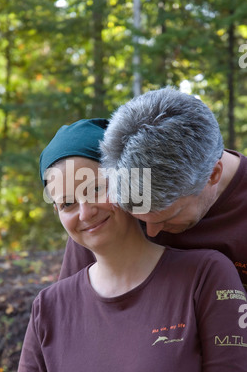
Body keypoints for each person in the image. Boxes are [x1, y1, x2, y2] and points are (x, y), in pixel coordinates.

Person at [13, 118, 247, 372]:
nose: (85, 212)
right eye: (67, 204)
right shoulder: (48, 306)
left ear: (129, 183)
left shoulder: (207, 275)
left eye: (97, 188)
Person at [58, 88, 247, 290]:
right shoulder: (110, 205)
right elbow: (68, 309)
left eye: (165, 217)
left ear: (213, 175)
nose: (152, 231)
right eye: (139, 218)